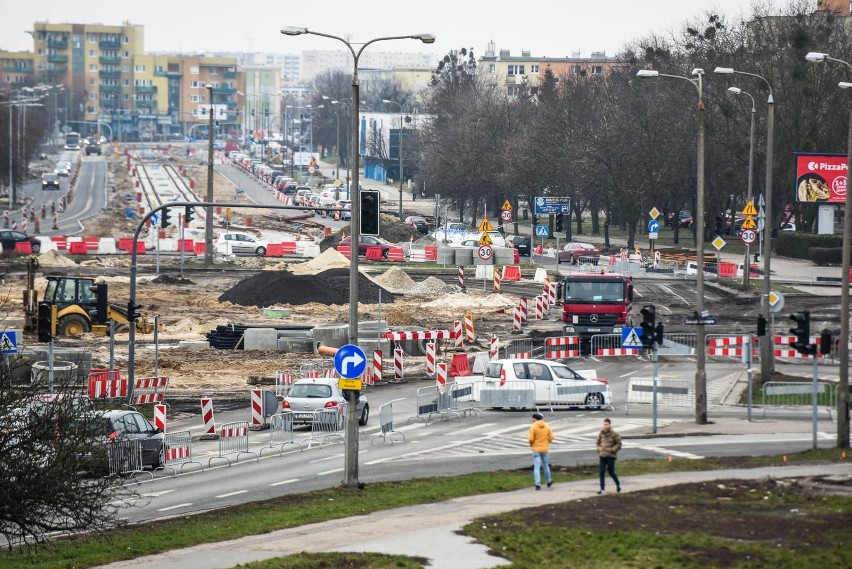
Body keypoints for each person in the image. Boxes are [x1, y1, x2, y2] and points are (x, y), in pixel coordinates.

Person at [528, 412, 553, 490]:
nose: (532, 420)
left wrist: (532, 444)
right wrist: (546, 442)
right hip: (544, 448)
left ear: (535, 418)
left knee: (537, 466)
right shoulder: (547, 425)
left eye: (533, 418)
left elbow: (531, 439)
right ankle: (549, 481)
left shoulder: (533, 427)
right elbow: (551, 437)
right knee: (546, 465)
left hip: (536, 449)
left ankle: (537, 484)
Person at [596, 418, 622, 494]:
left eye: (606, 424)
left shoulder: (615, 434)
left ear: (610, 425)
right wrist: (599, 449)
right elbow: (597, 443)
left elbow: (619, 444)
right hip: (602, 455)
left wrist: (612, 450)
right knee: (601, 471)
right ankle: (602, 489)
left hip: (611, 456)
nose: (605, 426)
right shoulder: (601, 433)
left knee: (611, 472)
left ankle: (618, 484)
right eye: (604, 424)